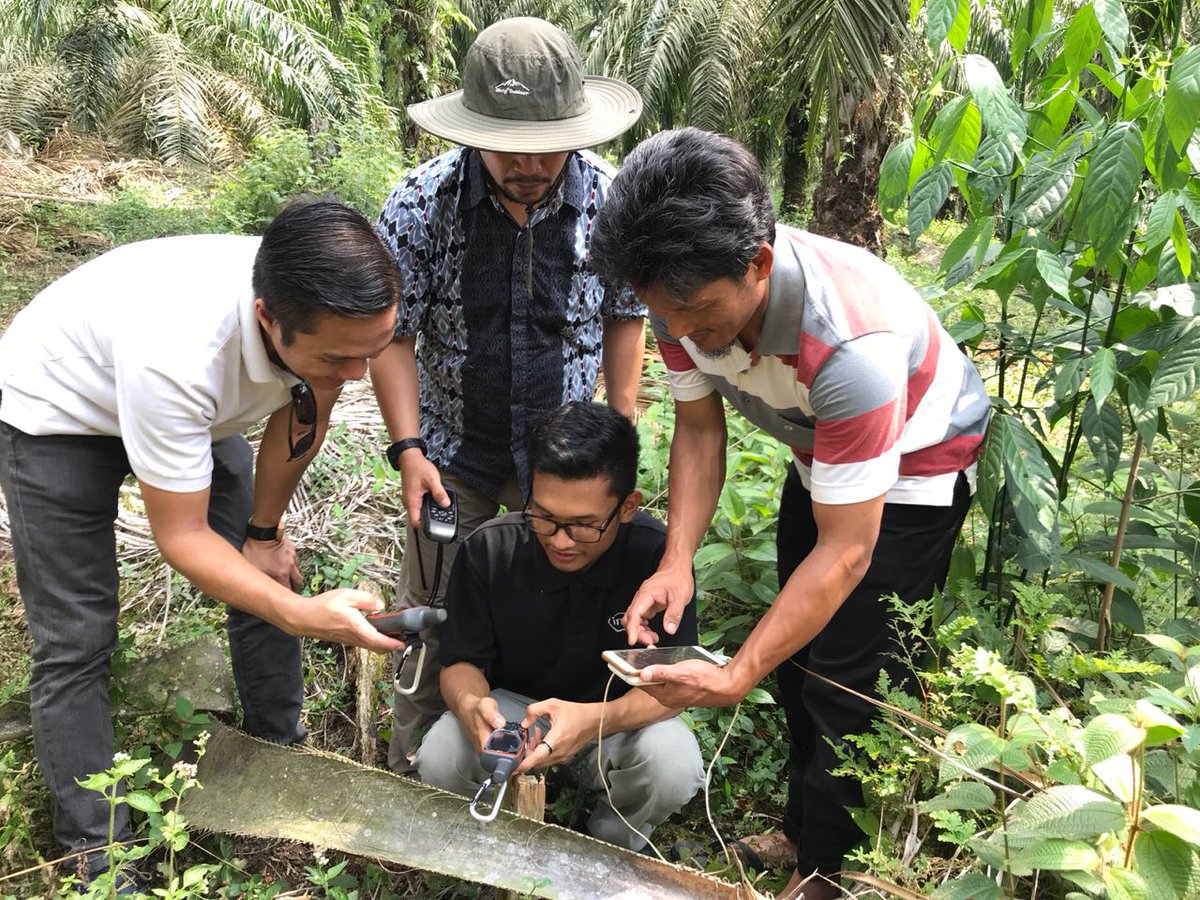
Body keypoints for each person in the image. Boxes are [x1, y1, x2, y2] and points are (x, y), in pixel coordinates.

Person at [589, 128, 991, 899]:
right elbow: (701, 434)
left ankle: (832, 874)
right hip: (823, 451)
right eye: (663, 317)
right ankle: (808, 834)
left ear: (760, 265)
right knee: (800, 657)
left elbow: (845, 554)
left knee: (847, 677)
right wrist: (675, 561)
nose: (681, 336)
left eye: (698, 317)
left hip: (915, 461)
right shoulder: (683, 297)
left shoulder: (850, 347)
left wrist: (738, 673)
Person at [0, 199, 407, 886]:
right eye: (341, 358)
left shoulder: (325, 306)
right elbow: (181, 537)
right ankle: (96, 858)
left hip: (190, 408)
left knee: (267, 572)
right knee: (76, 637)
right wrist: (300, 615)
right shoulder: (179, 354)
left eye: (373, 352)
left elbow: (304, 413)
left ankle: (279, 757)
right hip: (60, 411)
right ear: (266, 321)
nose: (359, 374)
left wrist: (264, 534)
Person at [372, 16, 647, 775]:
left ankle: (578, 759)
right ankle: (417, 769)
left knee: (573, 598)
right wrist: (409, 450)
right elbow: (392, 336)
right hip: (453, 452)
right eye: (507, 149)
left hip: (565, 463)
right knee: (433, 614)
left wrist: (618, 436)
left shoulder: (610, 203)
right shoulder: (421, 203)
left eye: (544, 149)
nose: (527, 167)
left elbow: (628, 317)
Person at [415, 401, 704, 852]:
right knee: (440, 753)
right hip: (516, 717)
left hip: (612, 719)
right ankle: (490, 847)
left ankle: (609, 847)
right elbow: (460, 664)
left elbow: (674, 689)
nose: (561, 540)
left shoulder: (658, 561)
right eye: (545, 517)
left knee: (673, 762)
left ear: (627, 507)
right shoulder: (490, 551)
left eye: (585, 525)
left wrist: (592, 721)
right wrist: (473, 708)